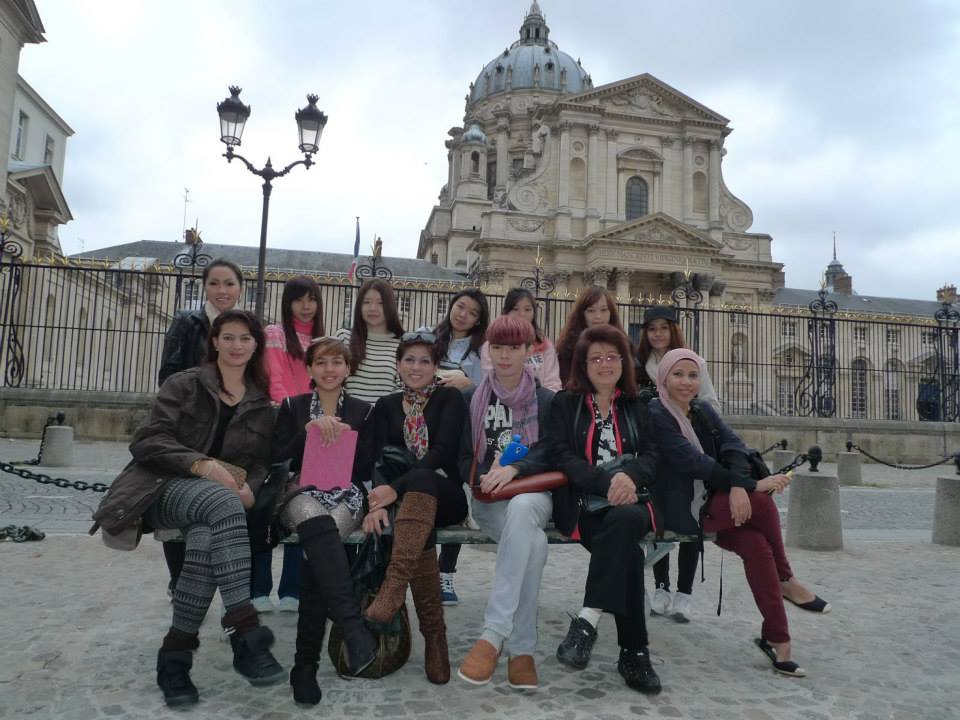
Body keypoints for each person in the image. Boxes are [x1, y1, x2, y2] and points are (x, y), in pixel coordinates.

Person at [93, 310, 285, 708]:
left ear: (256, 345)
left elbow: (260, 462)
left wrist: (250, 488)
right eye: (228, 337)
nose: (236, 345)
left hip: (217, 506)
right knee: (222, 501)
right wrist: (202, 465)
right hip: (164, 488)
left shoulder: (260, 402)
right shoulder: (185, 384)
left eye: (245, 338)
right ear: (214, 341)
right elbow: (147, 440)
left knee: (205, 540)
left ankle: (175, 658)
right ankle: (244, 626)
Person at [647, 349, 830, 678]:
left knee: (756, 547)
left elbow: (735, 446)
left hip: (713, 502)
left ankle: (777, 639)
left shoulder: (702, 410)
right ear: (663, 377)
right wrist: (749, 485)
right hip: (676, 507)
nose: (687, 382)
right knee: (761, 502)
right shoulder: (656, 412)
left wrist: (736, 486)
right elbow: (690, 460)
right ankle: (786, 579)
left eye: (693, 375)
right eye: (678, 374)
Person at [550, 325, 662, 694]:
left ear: (623, 363)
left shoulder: (637, 404)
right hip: (585, 505)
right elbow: (561, 455)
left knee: (626, 520)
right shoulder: (565, 403)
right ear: (583, 364)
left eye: (612, 356)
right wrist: (605, 483)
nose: (604, 364)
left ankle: (588, 620)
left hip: (631, 501)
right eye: (595, 358)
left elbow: (652, 456)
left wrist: (629, 477)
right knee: (628, 551)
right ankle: (634, 653)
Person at [272, 336, 378, 704]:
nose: (329, 369)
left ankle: (305, 666)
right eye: (321, 362)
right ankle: (352, 626)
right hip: (300, 492)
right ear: (309, 369)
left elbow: (369, 466)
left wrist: (351, 440)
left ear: (348, 368)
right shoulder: (294, 406)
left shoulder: (364, 411)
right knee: (315, 523)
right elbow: (277, 458)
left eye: (336, 362)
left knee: (320, 551)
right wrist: (306, 434)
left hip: (347, 495)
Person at [361, 331, 469, 684]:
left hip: (447, 495)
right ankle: (435, 639)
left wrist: (394, 490)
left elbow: (442, 453)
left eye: (425, 361)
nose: (416, 367)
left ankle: (394, 587)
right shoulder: (386, 405)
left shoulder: (449, 398)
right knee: (417, 528)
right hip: (406, 505)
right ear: (397, 365)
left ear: (436, 367)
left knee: (421, 483)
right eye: (409, 360)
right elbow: (377, 459)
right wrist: (377, 503)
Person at [455, 315, 556, 689]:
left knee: (523, 507)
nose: (504, 355)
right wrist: (483, 474)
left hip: (534, 494)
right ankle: (522, 649)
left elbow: (553, 451)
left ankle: (494, 633)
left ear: (529, 351)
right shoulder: (472, 398)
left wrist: (515, 469)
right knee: (535, 544)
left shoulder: (546, 401)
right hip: (489, 499)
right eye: (497, 347)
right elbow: (462, 455)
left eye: (514, 347)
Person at [156, 258, 244, 600]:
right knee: (183, 499)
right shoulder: (187, 321)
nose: (222, 290)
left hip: (229, 427)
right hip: (190, 426)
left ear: (240, 288)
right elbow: (168, 373)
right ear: (205, 286)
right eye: (214, 283)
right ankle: (179, 580)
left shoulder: (244, 326)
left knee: (220, 500)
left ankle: (213, 579)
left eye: (229, 283)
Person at [637, 304, 720, 621]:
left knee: (691, 517)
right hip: (655, 451)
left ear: (673, 330)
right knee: (659, 517)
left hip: (688, 448)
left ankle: (684, 592)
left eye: (663, 327)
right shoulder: (639, 365)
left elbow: (711, 403)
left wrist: (689, 412)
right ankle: (661, 587)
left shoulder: (692, 362)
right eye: (652, 328)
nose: (658, 334)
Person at [254, 277, 325, 614]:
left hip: (313, 428)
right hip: (281, 426)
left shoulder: (322, 341)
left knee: (302, 501)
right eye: (299, 299)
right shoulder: (275, 334)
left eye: (312, 299)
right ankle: (258, 587)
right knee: (267, 503)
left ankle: (292, 588)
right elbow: (275, 378)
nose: (306, 306)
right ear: (288, 303)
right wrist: (297, 414)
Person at [418, 288, 490, 605]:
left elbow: (490, 391)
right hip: (425, 427)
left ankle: (446, 572)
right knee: (423, 497)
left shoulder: (481, 352)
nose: (463, 315)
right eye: (461, 307)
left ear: (479, 321)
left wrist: (468, 383)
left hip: (460, 432)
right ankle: (424, 571)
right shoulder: (428, 336)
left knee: (455, 499)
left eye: (473, 312)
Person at [335, 279, 405, 403]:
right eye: (366, 302)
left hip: (384, 414)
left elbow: (402, 388)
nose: (373, 308)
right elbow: (332, 380)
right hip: (348, 413)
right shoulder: (344, 337)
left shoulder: (402, 343)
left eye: (380, 303)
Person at [480, 288, 562, 391]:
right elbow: (490, 378)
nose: (522, 314)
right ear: (506, 312)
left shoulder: (545, 345)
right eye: (515, 309)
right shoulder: (492, 344)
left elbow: (553, 383)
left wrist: (543, 398)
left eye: (527, 310)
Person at [555, 286, 625, 386]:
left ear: (611, 313)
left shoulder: (623, 344)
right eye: (591, 311)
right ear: (582, 314)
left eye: (603, 310)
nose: (598, 316)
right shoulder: (568, 347)